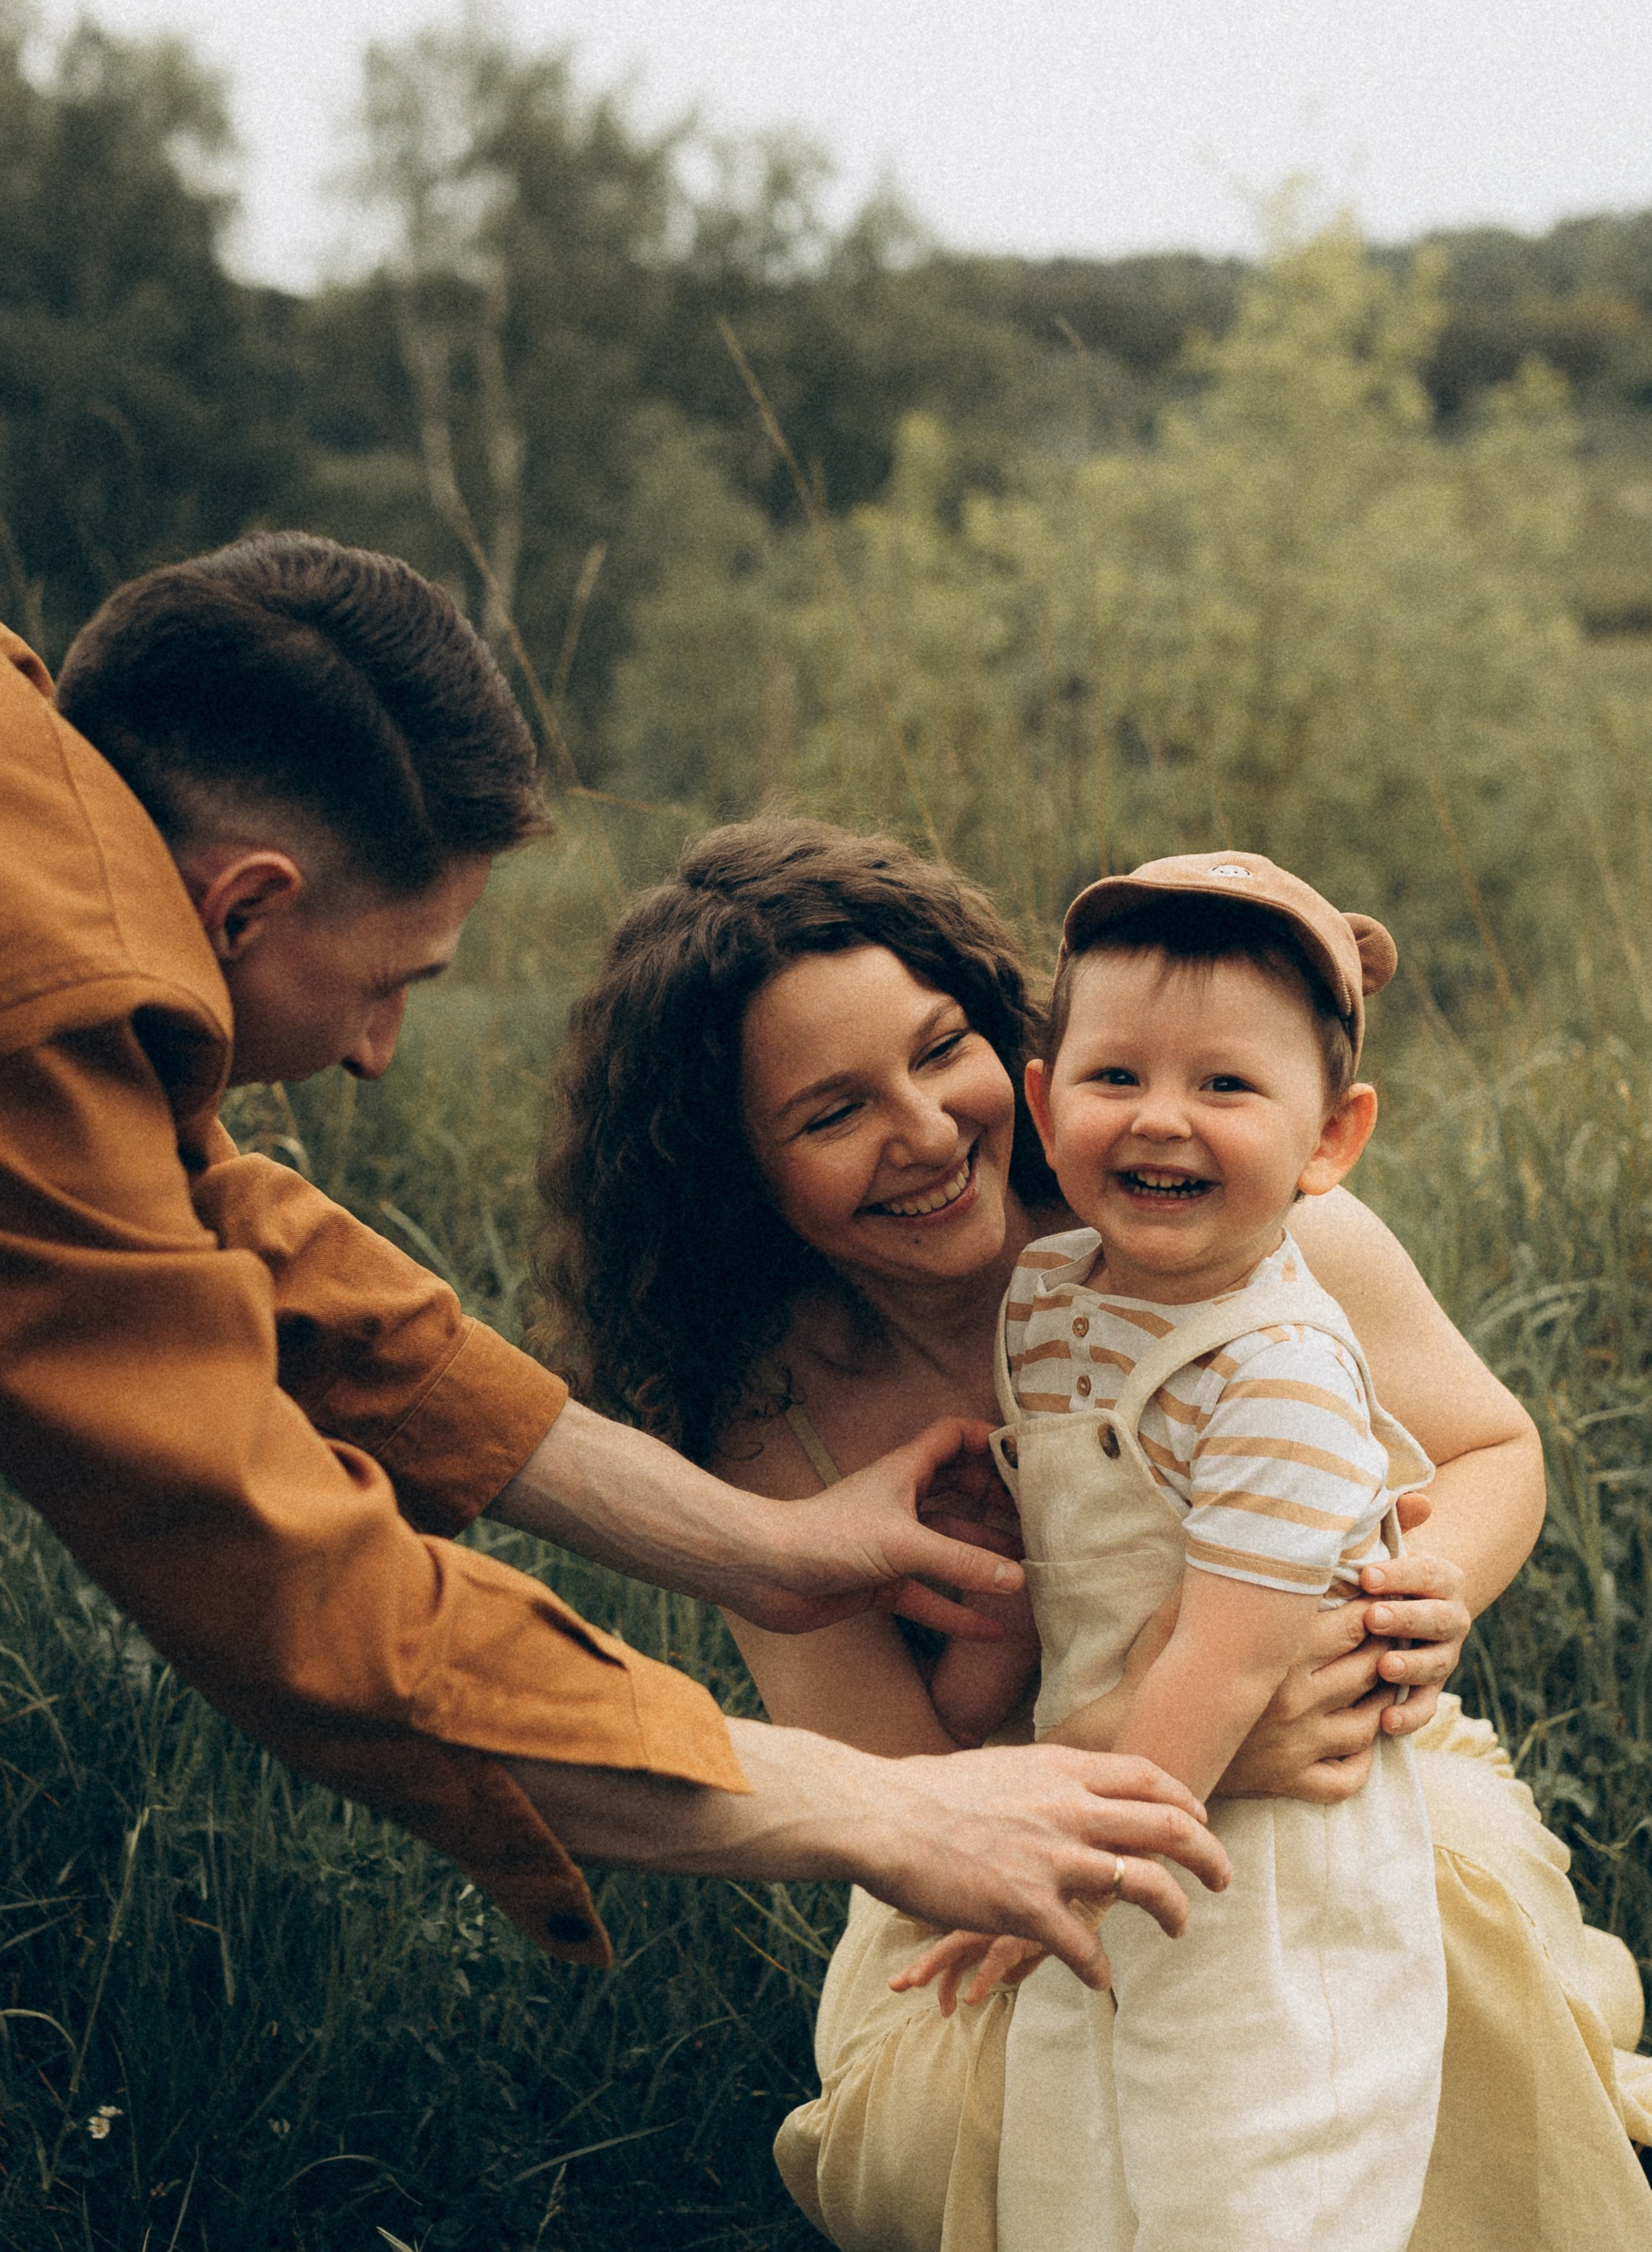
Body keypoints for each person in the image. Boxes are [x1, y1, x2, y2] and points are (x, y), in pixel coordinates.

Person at [536, 815, 1652, 2252]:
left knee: (1400, 1961)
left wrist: (1435, 1583)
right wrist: (1173, 1744)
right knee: (1010, 2116)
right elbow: (897, 1794)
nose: (926, 1131)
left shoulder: (1233, 1232)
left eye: (944, 1051)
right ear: (736, 1166)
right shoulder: (761, 1423)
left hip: (1337, 1763)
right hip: (1000, 1853)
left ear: (1020, 1043)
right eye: (830, 1109)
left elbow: (1492, 1450)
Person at [0, 536, 1229, 1972]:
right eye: (390, 982)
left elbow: (259, 1251)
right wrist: (873, 1809)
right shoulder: (44, 1007)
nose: (374, 1055)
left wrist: (762, 1552)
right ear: (244, 910)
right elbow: (309, 1597)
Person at [883, 850, 1448, 2252]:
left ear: (1334, 1139)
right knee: (1080, 2206)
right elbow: (1065, 1589)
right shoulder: (1047, 1302)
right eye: (1119, 1073)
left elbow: (1206, 1693)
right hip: (1096, 1824)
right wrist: (987, 1628)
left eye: (1231, 1086)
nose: (1167, 1123)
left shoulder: (1287, 1376)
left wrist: (1015, 1866)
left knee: (1235, 2227)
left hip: (1251, 1875)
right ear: (1047, 1103)